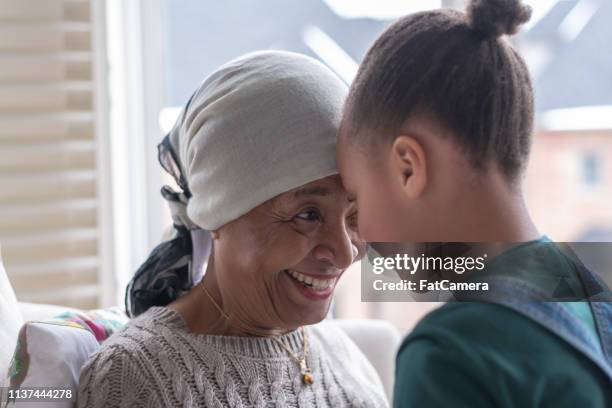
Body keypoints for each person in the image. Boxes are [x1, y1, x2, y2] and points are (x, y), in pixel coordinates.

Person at [336, 0, 612, 406]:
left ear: (408, 167)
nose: (357, 238)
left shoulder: (449, 355)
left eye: (357, 203)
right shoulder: (595, 302)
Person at [77, 51, 388, 408]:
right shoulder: (137, 377)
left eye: (354, 215)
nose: (346, 252)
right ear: (218, 214)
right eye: (308, 215)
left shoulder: (339, 353)